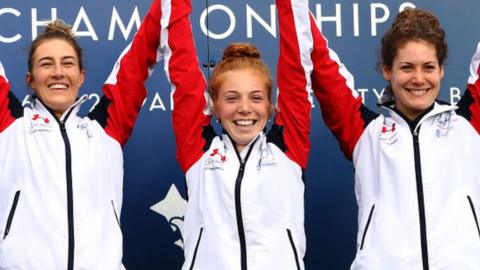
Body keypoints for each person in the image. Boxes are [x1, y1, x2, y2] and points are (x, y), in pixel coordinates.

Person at [278, 0, 480, 269]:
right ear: (387, 70)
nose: (418, 78)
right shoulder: (365, 133)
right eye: (407, 67)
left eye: (428, 67)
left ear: (441, 70)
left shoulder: (469, 125)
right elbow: (318, 57)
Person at [134, 0, 314, 268]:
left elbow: (296, 64)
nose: (244, 108)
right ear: (214, 107)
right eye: (231, 98)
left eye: (256, 98)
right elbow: (182, 65)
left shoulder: (288, 147)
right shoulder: (198, 151)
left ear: (271, 105)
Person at [0, 0, 168, 268]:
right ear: (30, 79)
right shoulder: (9, 125)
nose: (58, 72)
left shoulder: (106, 128)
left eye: (68, 63)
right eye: (46, 64)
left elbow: (142, 52)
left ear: (81, 76)